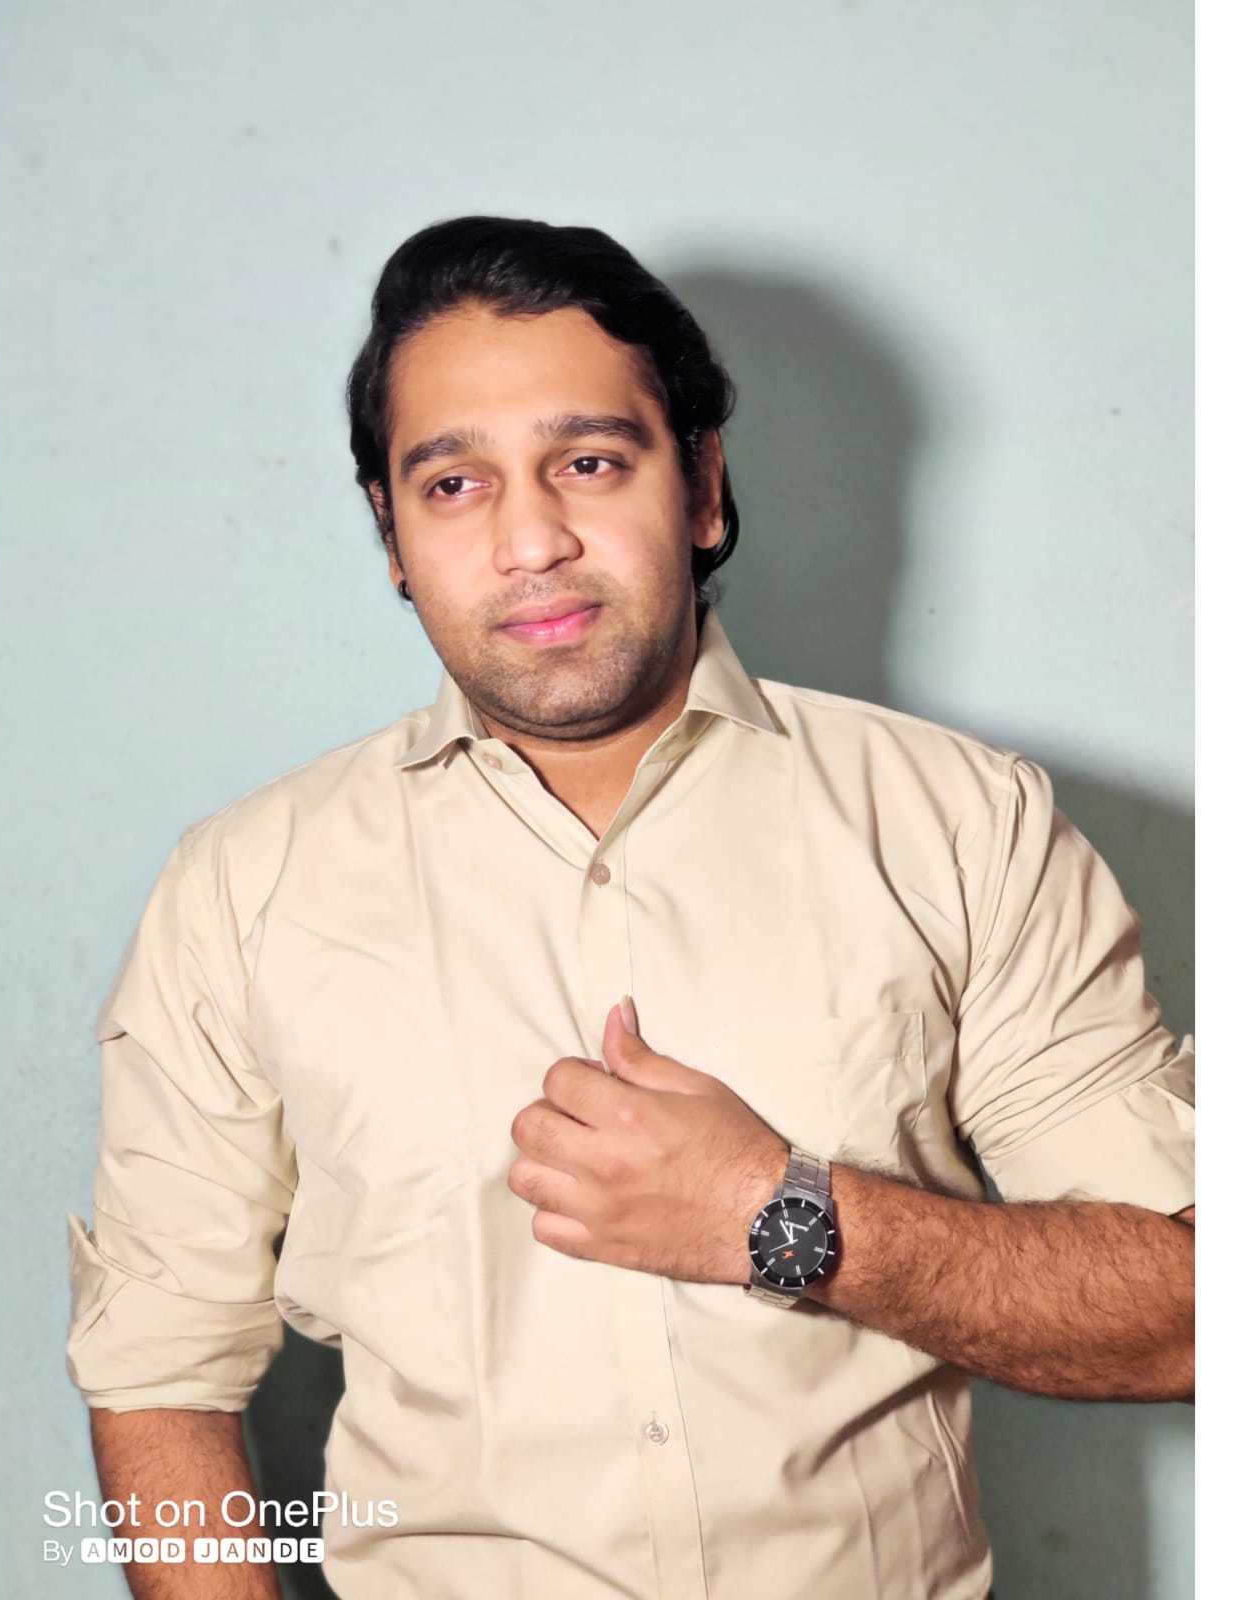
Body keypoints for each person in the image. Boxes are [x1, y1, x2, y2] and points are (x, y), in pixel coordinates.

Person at [66, 215, 1195, 1600]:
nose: (531, 540)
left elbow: (1185, 1308)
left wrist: (785, 1216)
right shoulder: (241, 891)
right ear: (391, 535)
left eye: (589, 463)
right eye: (454, 484)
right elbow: (159, 1375)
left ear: (703, 487)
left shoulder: (965, 825)